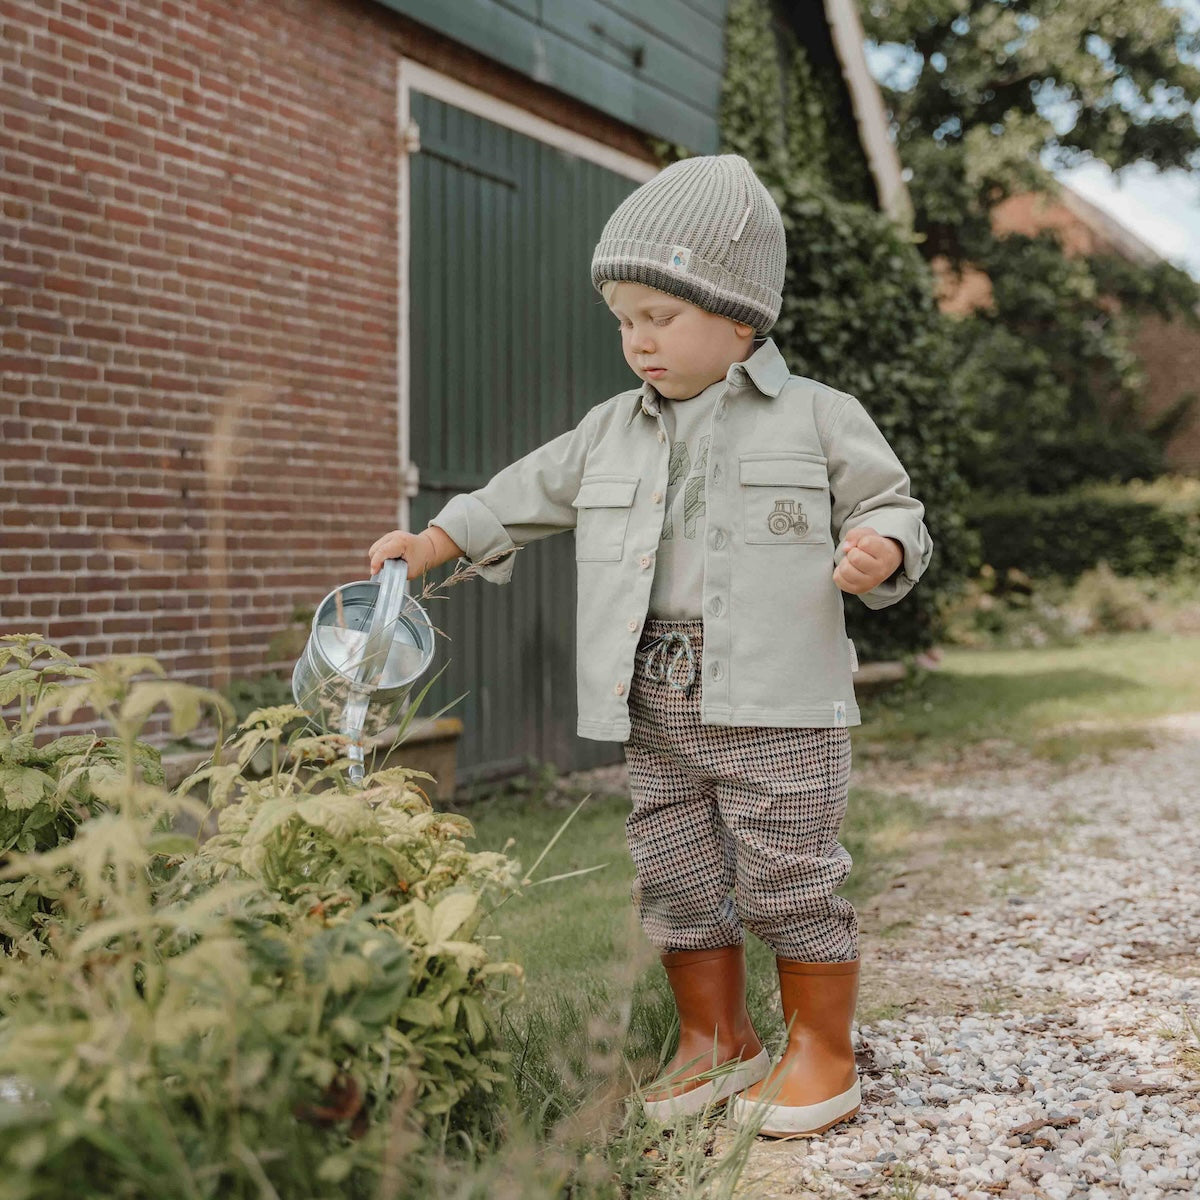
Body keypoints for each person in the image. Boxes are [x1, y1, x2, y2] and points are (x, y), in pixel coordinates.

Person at [368, 154, 933, 1138]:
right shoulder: (608, 433)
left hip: (778, 700)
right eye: (625, 319)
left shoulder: (817, 415)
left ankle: (822, 1052)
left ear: (738, 315)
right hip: (654, 696)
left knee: (786, 873)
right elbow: (520, 493)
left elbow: (893, 506)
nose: (638, 340)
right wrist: (433, 542)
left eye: (659, 317)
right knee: (672, 869)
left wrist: (878, 548)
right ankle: (716, 1041)